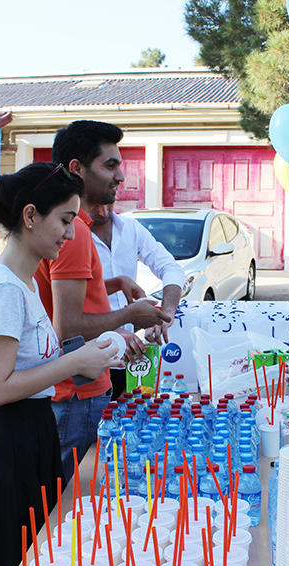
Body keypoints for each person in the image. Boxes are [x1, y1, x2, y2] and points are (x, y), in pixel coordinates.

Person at [0, 162, 122, 566]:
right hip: (2, 453)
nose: (70, 233)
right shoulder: (5, 290)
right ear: (30, 216)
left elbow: (29, 364)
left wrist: (85, 359)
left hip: (28, 439)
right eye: (64, 220)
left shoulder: (23, 283)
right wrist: (72, 362)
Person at [35, 120, 171, 476]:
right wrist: (131, 316)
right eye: (110, 166)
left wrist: (115, 283)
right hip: (76, 391)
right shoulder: (74, 233)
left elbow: (69, 294)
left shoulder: (69, 226)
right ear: (77, 169)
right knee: (71, 497)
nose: (120, 177)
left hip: (74, 387)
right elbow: (68, 327)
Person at [81, 123, 184, 399]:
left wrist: (166, 313)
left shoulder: (131, 229)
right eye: (110, 167)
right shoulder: (68, 236)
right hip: (87, 366)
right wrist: (115, 330)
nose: (120, 178)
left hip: (128, 361)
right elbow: (67, 314)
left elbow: (170, 268)